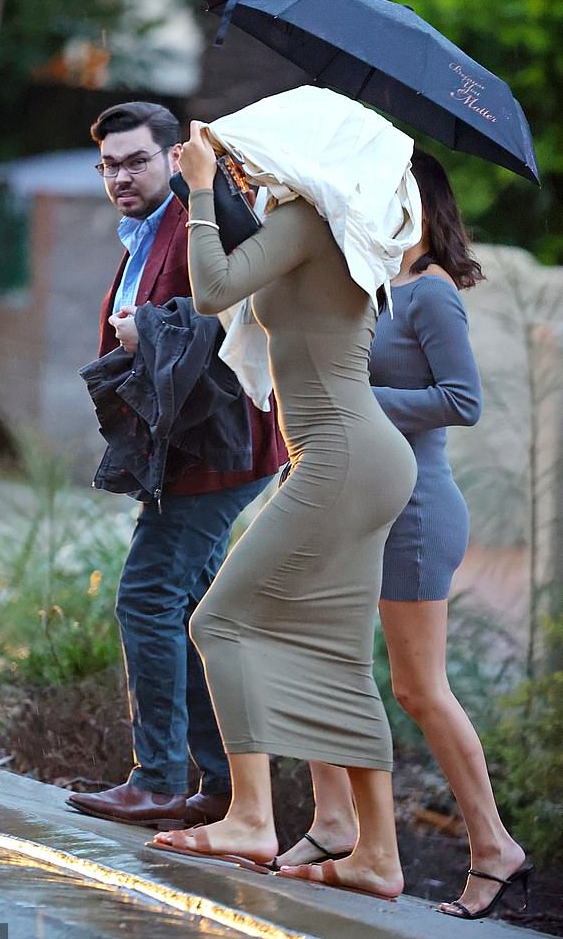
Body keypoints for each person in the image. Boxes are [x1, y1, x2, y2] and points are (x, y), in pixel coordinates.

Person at [152, 86, 421, 899]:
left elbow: (211, 288)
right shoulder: (342, 230)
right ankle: (376, 856)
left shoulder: (310, 225)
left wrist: (201, 189)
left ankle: (251, 817)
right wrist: (223, 191)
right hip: (357, 455)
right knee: (335, 655)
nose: (244, 163)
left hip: (342, 454)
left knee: (220, 618)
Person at [274, 149, 531, 920]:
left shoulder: (431, 295)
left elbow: (461, 400)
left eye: (393, 197)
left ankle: (493, 848)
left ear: (424, 211)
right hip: (353, 499)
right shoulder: (374, 289)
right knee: (316, 653)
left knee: (420, 689)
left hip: (414, 510)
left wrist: (360, 398)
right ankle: (336, 824)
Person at [66, 101, 287, 829]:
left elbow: (240, 309)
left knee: (148, 596)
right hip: (189, 446)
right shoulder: (145, 229)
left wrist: (146, 332)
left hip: (223, 448)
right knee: (191, 610)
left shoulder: (205, 215)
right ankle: (222, 785)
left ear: (172, 157)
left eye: (135, 160)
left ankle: (159, 778)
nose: (119, 176)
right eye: (108, 164)